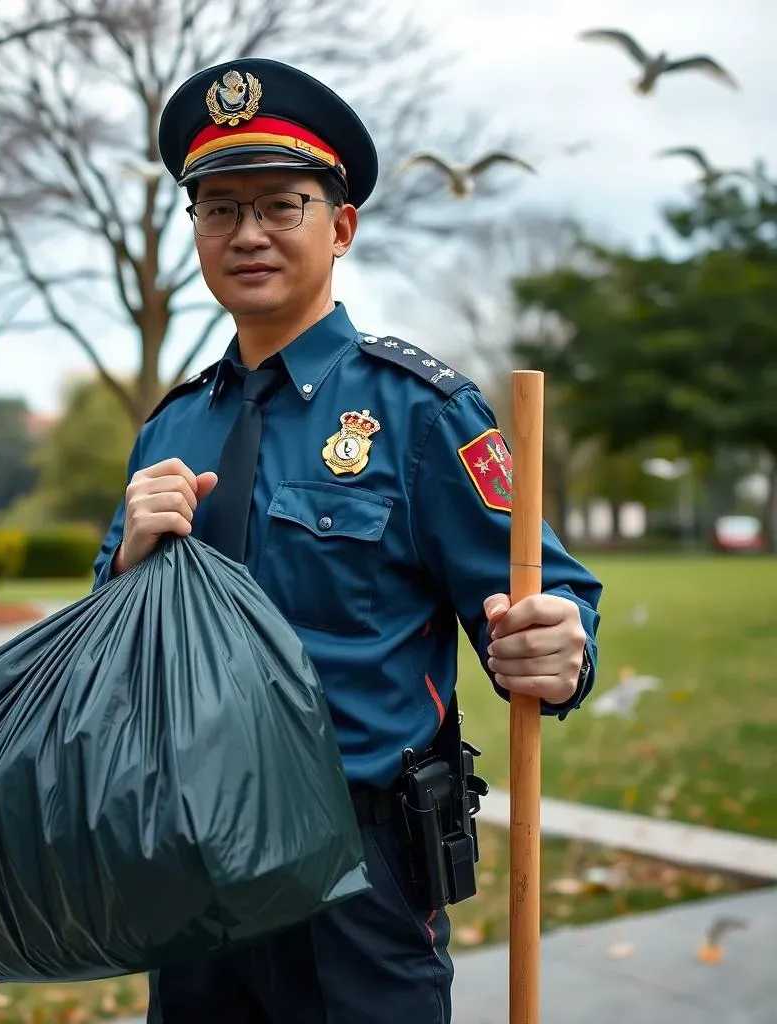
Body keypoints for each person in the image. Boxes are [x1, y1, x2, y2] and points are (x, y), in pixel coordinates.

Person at [92, 57, 602, 1023]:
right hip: (189, 859)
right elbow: (114, 654)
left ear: (341, 227)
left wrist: (558, 645)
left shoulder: (421, 414)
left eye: (281, 204)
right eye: (217, 208)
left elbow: (556, 598)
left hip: (357, 879)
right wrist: (122, 570)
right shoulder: (169, 431)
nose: (246, 233)